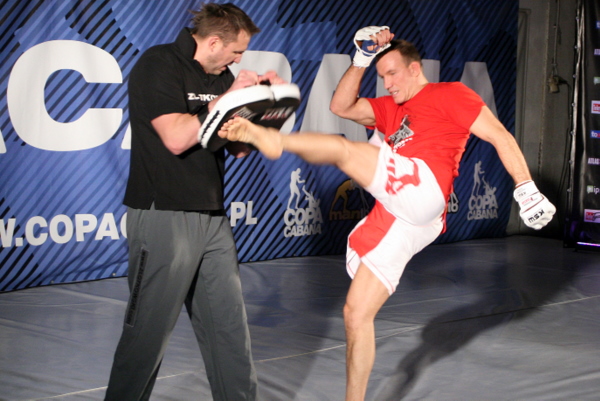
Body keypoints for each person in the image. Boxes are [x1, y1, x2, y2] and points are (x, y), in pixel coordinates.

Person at [218, 26, 556, 401]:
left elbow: (499, 136)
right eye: (382, 77)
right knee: (355, 313)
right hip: (404, 219)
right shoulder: (388, 108)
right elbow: (341, 107)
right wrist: (361, 59)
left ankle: (272, 139)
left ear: (415, 69)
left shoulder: (451, 94)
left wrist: (526, 188)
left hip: (426, 189)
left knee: (346, 150)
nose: (388, 83)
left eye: (392, 73)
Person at [105, 3, 283, 400]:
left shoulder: (223, 77)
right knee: (147, 334)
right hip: (164, 214)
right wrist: (230, 96)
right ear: (214, 42)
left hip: (212, 217)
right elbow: (176, 138)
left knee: (229, 331)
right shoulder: (159, 64)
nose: (239, 60)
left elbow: (238, 148)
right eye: (236, 52)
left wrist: (269, 105)